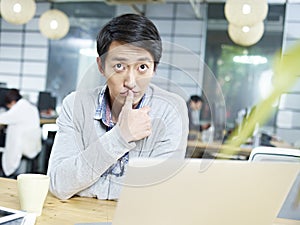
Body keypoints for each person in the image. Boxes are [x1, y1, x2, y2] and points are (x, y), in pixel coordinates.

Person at [47, 13, 189, 200]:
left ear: (154, 68)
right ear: (101, 65)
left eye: (142, 67)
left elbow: (158, 193)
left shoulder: (171, 110)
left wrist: (83, 186)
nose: (131, 81)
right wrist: (120, 138)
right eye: (120, 66)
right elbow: (59, 184)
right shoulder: (75, 104)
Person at [0, 89, 41, 177]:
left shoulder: (19, 109)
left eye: (9, 106)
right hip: (32, 143)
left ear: (13, 102)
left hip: (23, 145)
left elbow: (3, 118)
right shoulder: (31, 107)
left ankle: (6, 176)